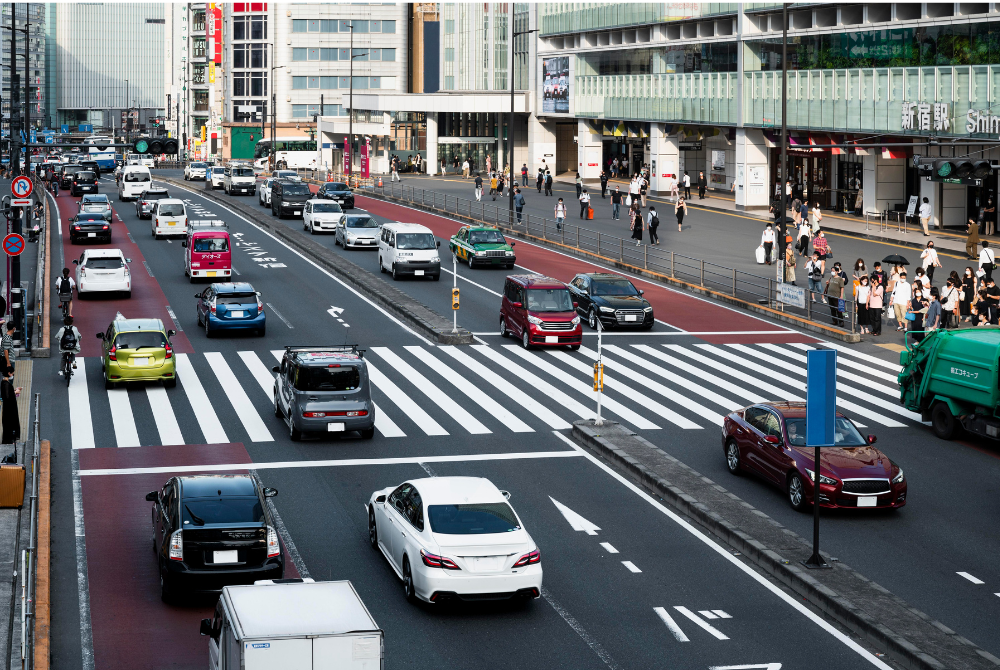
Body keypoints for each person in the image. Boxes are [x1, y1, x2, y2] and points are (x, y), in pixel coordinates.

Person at [0, 368, 19, 446]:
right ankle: (9, 439)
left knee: (7, 423)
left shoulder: (3, 382)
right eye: (12, 373)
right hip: (9, 407)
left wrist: (14, 391)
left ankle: (9, 438)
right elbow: (8, 396)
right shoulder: (6, 384)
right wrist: (15, 392)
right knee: (10, 423)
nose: (13, 375)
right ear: (9, 373)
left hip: (7, 407)